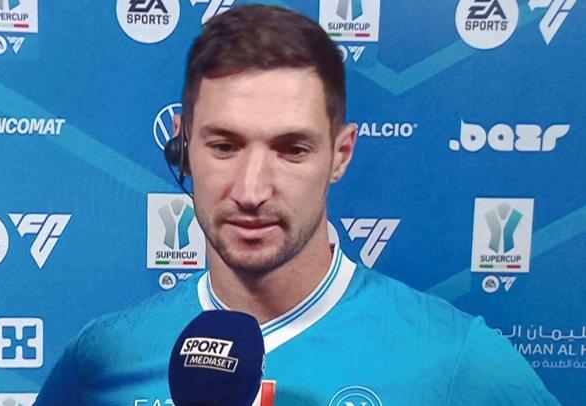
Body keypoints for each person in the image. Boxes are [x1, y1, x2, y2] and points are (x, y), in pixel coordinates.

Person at [35, 5, 558, 405]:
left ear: (340, 155)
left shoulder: (458, 362)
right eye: (225, 146)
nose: (251, 191)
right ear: (183, 145)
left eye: (291, 149)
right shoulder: (102, 359)